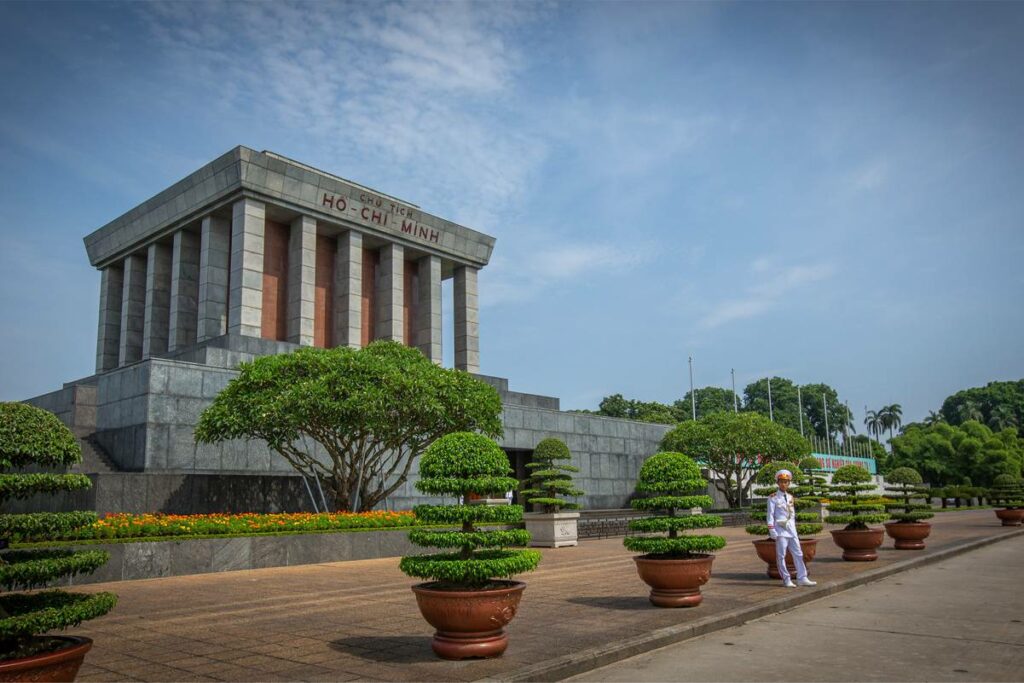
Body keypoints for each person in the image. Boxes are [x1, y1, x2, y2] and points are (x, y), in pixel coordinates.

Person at [767, 469, 817, 588]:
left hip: (791, 530)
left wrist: (794, 528)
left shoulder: (790, 497)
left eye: (786, 482)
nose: (784, 484)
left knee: (798, 554)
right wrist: (772, 529)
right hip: (780, 530)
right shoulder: (773, 498)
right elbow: (770, 515)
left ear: (789, 483)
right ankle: (786, 579)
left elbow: (792, 515)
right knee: (781, 555)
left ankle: (802, 577)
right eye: (781, 481)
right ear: (778, 483)